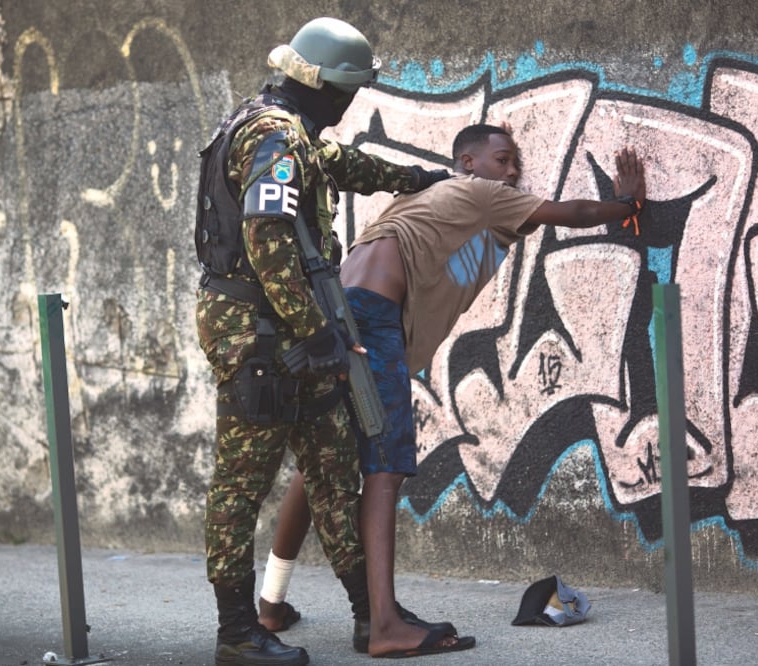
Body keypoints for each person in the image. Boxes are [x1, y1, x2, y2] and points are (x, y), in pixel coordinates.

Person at [259, 123, 647, 658]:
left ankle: (271, 604)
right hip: (372, 319)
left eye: (516, 164)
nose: (512, 172)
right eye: (503, 159)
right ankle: (386, 625)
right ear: (468, 163)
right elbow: (574, 214)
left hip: (336, 312)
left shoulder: (431, 199)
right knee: (386, 466)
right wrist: (625, 205)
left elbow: (463, 265)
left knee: (319, 461)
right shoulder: (478, 194)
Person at [194, 17, 454, 666]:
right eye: (350, 92)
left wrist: (415, 180)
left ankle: (374, 619)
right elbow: (268, 234)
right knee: (240, 485)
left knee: (334, 473)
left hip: (294, 334)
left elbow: (339, 163)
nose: (350, 105)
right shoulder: (276, 137)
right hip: (260, 337)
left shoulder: (281, 128)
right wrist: (316, 334)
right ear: (331, 89)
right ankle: (236, 633)